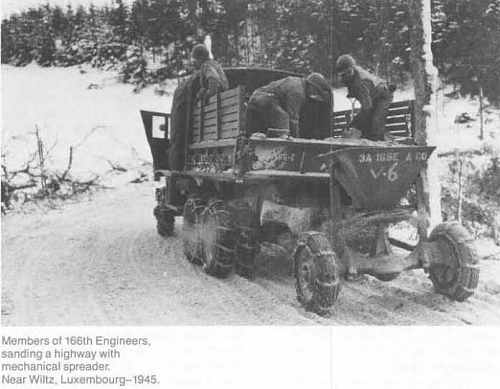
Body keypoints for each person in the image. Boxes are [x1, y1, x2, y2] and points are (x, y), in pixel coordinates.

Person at [168, 44, 229, 170]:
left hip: (219, 100)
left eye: (195, 58)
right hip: (223, 98)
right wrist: (201, 92)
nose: (194, 61)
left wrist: (208, 95)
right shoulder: (215, 64)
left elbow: (214, 80)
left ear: (200, 57)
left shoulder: (206, 66)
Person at [247, 72, 333, 139]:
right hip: (262, 99)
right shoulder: (298, 91)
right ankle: (284, 143)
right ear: (312, 85)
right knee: (283, 118)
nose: (315, 94)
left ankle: (279, 137)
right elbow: (293, 118)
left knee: (281, 119)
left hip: (260, 99)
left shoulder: (298, 83)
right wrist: (297, 139)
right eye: (316, 90)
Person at [336, 54, 394, 141]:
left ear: (353, 68)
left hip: (382, 96)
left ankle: (379, 146)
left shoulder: (361, 82)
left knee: (375, 123)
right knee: (366, 124)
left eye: (350, 71)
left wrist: (354, 124)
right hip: (372, 97)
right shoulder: (348, 78)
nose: (348, 74)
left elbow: (367, 107)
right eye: (345, 73)